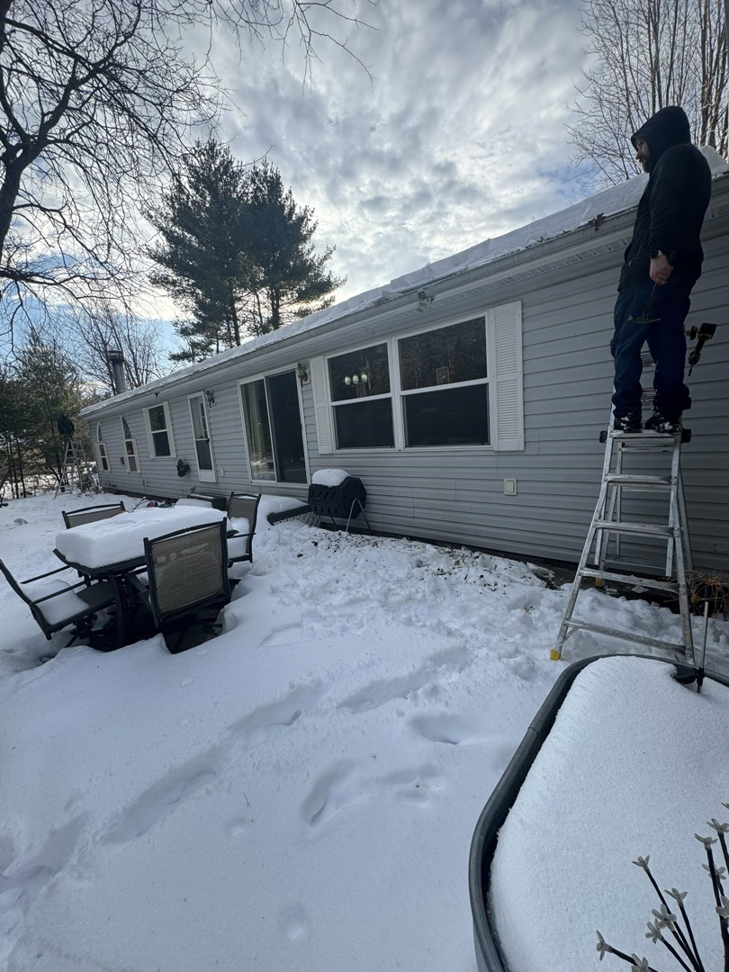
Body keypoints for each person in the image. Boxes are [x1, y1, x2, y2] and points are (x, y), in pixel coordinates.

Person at [611, 106, 712, 433]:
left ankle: (627, 412)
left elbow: (665, 204)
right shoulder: (693, 162)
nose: (639, 153)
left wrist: (657, 252)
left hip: (649, 274)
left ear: (658, 135)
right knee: (667, 339)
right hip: (680, 270)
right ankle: (668, 413)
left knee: (625, 343)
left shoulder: (673, 157)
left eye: (641, 144)